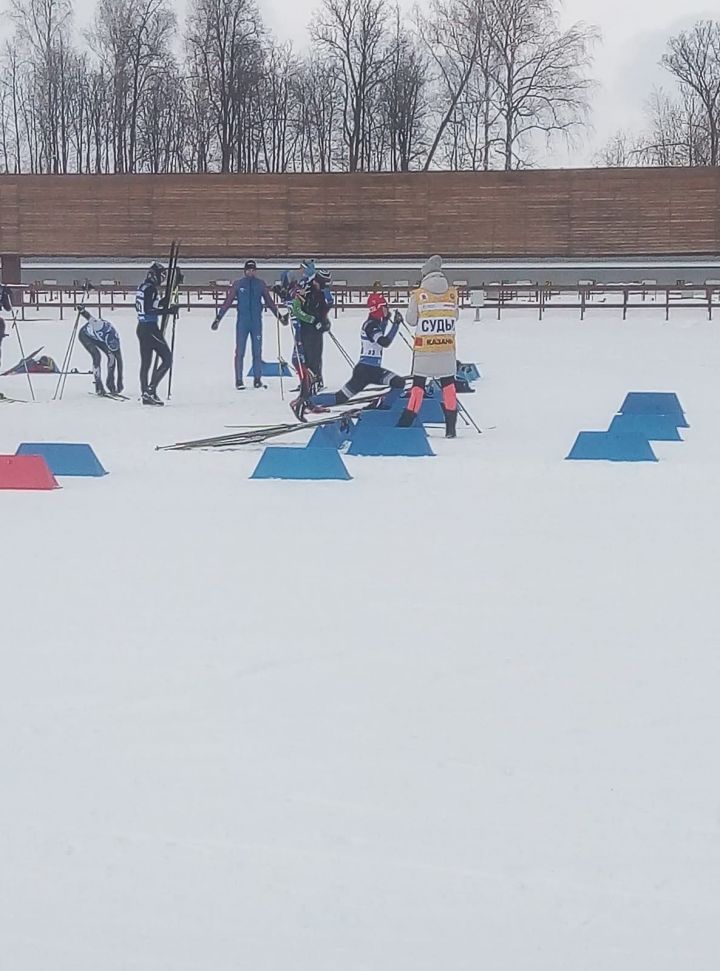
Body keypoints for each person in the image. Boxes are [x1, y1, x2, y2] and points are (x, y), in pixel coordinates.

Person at [293, 307, 406, 421]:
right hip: (369, 370)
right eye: (384, 307)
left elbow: (379, 337)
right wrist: (396, 325)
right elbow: (384, 342)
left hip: (366, 370)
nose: (387, 309)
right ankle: (382, 408)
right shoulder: (371, 326)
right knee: (399, 383)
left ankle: (306, 401)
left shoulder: (372, 324)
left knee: (340, 398)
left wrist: (386, 319)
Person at [397, 255, 459, 438]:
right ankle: (450, 427)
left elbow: (411, 320)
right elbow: (455, 317)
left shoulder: (418, 295)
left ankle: (408, 420)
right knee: (448, 385)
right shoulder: (452, 294)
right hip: (447, 348)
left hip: (425, 350)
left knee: (418, 386)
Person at [212, 259, 280, 389]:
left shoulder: (260, 284)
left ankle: (257, 379)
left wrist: (279, 316)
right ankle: (239, 380)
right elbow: (228, 301)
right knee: (240, 351)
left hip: (256, 322)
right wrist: (218, 317)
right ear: (245, 271)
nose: (251, 272)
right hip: (243, 322)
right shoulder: (238, 284)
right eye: (249, 270)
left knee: (257, 351)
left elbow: (269, 302)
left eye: (253, 270)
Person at [135, 260, 174, 406]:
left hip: (142, 327)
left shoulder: (143, 287)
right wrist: (167, 311)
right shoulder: (150, 289)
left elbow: (151, 305)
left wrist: (165, 302)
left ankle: (146, 392)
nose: (162, 279)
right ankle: (150, 390)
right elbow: (149, 309)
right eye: (161, 276)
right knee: (167, 358)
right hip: (150, 328)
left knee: (146, 363)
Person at [77, 307, 124, 395]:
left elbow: (119, 361)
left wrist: (119, 381)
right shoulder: (99, 326)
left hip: (99, 339)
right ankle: (98, 384)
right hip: (85, 336)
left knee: (112, 357)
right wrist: (82, 311)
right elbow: (89, 317)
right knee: (97, 356)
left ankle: (110, 383)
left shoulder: (115, 338)